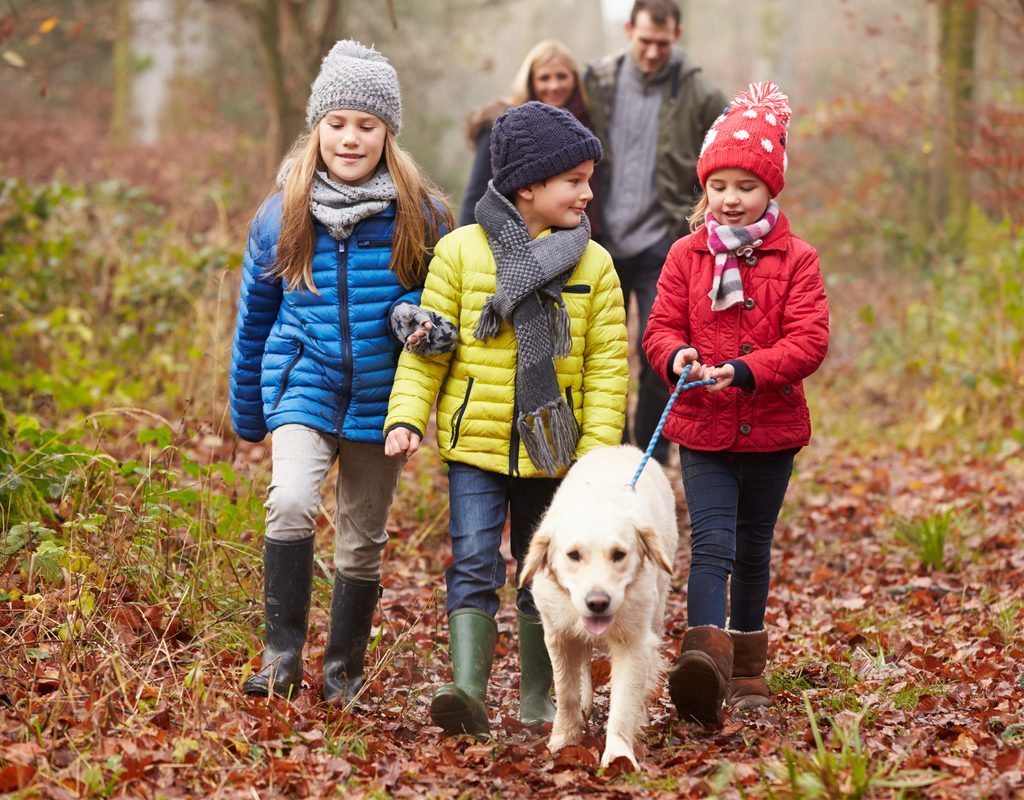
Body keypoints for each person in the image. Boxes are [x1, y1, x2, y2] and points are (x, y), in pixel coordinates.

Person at [384, 101, 628, 735]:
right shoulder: (459, 253)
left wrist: (597, 460)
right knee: (472, 563)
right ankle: (467, 691)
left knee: (541, 568)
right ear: (528, 186)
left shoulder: (594, 264)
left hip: (556, 454)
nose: (587, 192)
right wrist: (405, 417)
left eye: (588, 179)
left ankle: (540, 698)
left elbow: (607, 369)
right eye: (573, 180)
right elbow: (428, 349)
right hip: (475, 444)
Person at [229, 40, 453, 703]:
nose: (350, 138)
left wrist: (421, 320)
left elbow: (447, 303)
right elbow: (255, 317)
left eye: (366, 125)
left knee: (360, 540)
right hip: (303, 384)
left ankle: (342, 673)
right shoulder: (282, 212)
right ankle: (280, 656)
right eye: (337, 123)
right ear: (317, 126)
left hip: (382, 399)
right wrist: (247, 410)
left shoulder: (422, 214)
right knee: (291, 500)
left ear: (388, 134)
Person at [642, 82, 830, 725]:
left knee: (752, 547)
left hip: (773, 427)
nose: (730, 198)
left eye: (745, 186)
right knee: (712, 544)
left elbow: (808, 341)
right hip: (703, 427)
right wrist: (677, 357)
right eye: (719, 185)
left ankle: (748, 668)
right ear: (705, 189)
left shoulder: (797, 259)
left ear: (769, 190)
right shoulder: (685, 256)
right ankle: (703, 662)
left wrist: (747, 371)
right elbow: (660, 328)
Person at [584, 0, 726, 464]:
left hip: (662, 241)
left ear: (676, 36)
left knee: (658, 349)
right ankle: (607, 449)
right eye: (645, 41)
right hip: (599, 237)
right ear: (629, 30)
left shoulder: (700, 93)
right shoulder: (598, 81)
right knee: (599, 351)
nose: (651, 52)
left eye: (662, 44)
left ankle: (648, 452)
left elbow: (723, 158)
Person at [459, 40, 602, 238]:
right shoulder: (505, 129)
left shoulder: (590, 126)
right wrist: (469, 242)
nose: (554, 86)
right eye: (544, 78)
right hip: (511, 237)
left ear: (575, 79)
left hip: (585, 235)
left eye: (561, 76)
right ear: (530, 80)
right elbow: (477, 194)